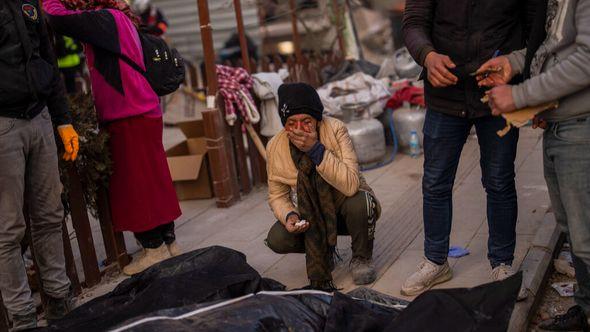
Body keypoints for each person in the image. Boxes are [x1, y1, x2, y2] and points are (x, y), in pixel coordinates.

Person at [401, 0, 539, 298]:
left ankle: (502, 263)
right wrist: (428, 56)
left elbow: (536, 32)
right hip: (444, 96)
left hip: (497, 94)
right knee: (435, 181)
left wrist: (525, 78)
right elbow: (413, 23)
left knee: (500, 181)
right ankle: (436, 261)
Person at [43, 0, 182, 276]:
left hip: (127, 111)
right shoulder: (120, 17)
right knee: (154, 178)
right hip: (143, 107)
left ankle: (153, 249)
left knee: (135, 183)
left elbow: (56, 17)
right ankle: (169, 243)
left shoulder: (105, 19)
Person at [478, 0, 590, 329]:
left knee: (586, 237)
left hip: (581, 128)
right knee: (575, 232)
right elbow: (556, 48)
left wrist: (521, 94)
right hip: (561, 125)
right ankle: (585, 310)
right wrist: (514, 63)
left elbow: (586, 60)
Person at [0, 0, 79, 330]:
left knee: (49, 215)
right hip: (3, 127)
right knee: (8, 230)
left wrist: (63, 120)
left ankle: (60, 303)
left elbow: (48, 58)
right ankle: (22, 317)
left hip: (41, 116)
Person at [265, 83, 381, 291]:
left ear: (318, 120)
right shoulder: (275, 146)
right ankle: (323, 253)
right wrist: (290, 215)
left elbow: (351, 184)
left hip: (343, 202)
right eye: (292, 123)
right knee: (277, 238)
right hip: (311, 214)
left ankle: (361, 258)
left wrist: (316, 150)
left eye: (306, 121)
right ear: (284, 125)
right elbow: (277, 194)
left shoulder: (336, 129)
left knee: (361, 202)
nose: (299, 129)